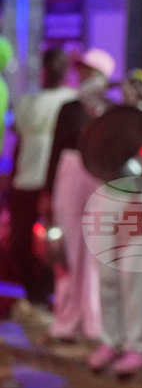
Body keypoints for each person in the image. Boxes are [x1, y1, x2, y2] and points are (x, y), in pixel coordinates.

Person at [9, 48, 76, 326]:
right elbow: (21, 141)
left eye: (60, 64)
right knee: (19, 240)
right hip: (23, 179)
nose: (55, 69)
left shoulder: (71, 101)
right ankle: (31, 295)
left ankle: (49, 297)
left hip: (54, 181)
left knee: (53, 242)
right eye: (51, 64)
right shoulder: (28, 101)